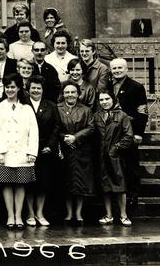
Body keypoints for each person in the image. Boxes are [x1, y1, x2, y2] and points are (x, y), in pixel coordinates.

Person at [0, 74, 38, 229]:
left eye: (13, 87)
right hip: (5, 153)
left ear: (18, 88)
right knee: (7, 184)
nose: (10, 90)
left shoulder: (27, 108)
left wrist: (32, 152)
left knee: (20, 185)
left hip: (22, 153)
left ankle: (19, 216)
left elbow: (34, 131)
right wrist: (0, 151)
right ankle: (10, 216)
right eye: (7, 87)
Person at [111, 58, 148, 204]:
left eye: (120, 68)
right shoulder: (107, 85)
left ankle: (133, 195)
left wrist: (139, 133)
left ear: (126, 69)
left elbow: (142, 112)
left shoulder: (137, 87)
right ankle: (116, 194)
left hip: (130, 131)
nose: (117, 71)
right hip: (112, 131)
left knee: (131, 164)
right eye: (114, 68)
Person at [57, 80, 95, 225]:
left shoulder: (86, 110)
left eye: (73, 92)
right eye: (67, 92)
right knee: (66, 182)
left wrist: (76, 137)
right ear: (63, 94)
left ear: (78, 94)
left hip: (81, 150)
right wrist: (64, 138)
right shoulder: (58, 108)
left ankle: (78, 213)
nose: (70, 95)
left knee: (79, 183)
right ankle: (68, 213)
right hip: (64, 149)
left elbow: (91, 127)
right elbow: (55, 126)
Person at [95, 90, 134, 227]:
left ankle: (123, 215)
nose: (104, 102)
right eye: (101, 100)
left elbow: (128, 136)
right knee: (105, 185)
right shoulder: (96, 116)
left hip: (116, 156)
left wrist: (115, 148)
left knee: (120, 185)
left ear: (113, 99)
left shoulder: (122, 115)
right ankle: (108, 215)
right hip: (101, 156)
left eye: (107, 99)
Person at [24, 75, 59, 227]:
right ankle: (30, 214)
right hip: (26, 150)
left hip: (45, 150)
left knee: (43, 184)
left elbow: (56, 127)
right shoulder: (23, 104)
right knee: (29, 184)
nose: (36, 90)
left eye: (39, 88)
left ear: (43, 90)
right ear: (28, 89)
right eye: (33, 88)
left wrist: (50, 146)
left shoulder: (51, 105)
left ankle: (40, 213)